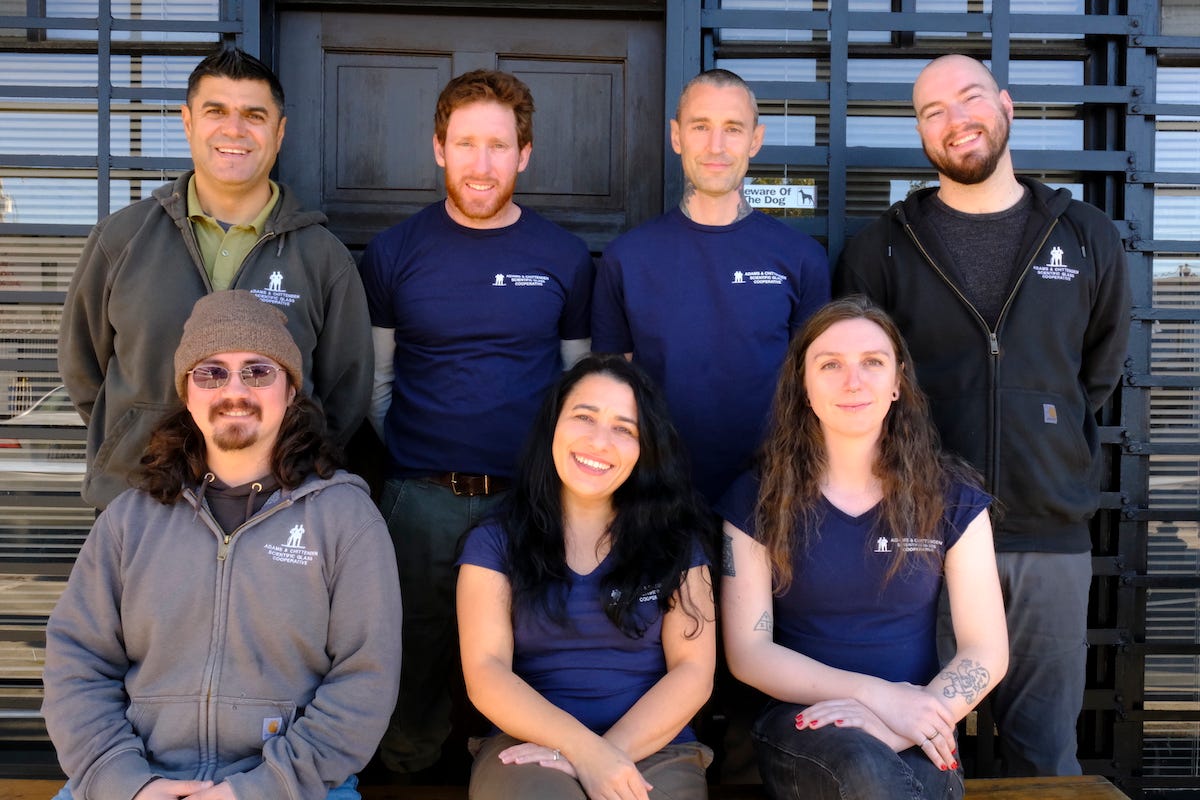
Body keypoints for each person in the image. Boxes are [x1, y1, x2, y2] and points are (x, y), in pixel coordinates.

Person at [834, 54, 1130, 776]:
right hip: (919, 537)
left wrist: (1042, 424)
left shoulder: (1085, 235)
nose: (954, 120)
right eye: (932, 112)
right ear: (920, 133)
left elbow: (1096, 370)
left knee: (1042, 754)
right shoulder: (881, 250)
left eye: (968, 99)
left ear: (1006, 105)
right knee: (916, 747)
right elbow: (858, 387)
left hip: (1046, 537)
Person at [41, 290, 402, 800]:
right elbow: (76, 664)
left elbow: (366, 679)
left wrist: (259, 789)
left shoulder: (345, 519)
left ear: (291, 391)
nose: (235, 391)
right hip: (133, 780)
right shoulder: (131, 520)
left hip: (294, 787)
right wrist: (127, 783)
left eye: (258, 371)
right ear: (187, 394)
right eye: (211, 373)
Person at [358, 69, 594, 777]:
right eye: (466, 144)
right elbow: (377, 383)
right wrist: (422, 448)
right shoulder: (394, 253)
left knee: (529, 655)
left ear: (524, 154)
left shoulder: (563, 256)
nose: (481, 164)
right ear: (439, 148)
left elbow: (576, 385)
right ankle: (405, 772)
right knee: (414, 657)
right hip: (418, 497)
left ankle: (516, 778)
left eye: (498, 145)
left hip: (529, 502)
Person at [718, 297, 1009, 800]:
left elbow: (986, 650)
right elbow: (750, 652)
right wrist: (876, 697)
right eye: (830, 365)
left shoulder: (952, 498)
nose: (853, 381)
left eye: (872, 363)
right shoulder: (756, 498)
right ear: (803, 387)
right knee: (863, 766)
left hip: (923, 714)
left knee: (908, 778)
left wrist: (906, 721)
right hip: (803, 723)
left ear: (897, 382)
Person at [59, 46, 372, 510]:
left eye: (254, 115)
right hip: (140, 498)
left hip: (274, 509)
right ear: (188, 122)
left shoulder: (323, 257)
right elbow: (84, 370)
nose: (235, 129)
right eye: (216, 111)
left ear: (279, 132)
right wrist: (134, 429)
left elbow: (346, 393)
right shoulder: (121, 238)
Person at [457, 354, 716, 800]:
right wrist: (581, 751)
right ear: (552, 425)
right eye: (585, 417)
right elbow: (485, 673)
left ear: (645, 449)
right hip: (528, 750)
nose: (600, 441)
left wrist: (605, 756)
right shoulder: (495, 540)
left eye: (624, 428)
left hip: (657, 746)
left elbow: (694, 672)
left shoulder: (677, 541)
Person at [592, 68, 830, 505]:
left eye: (732, 129)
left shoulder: (800, 258)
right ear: (676, 136)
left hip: (772, 496)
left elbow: (817, 388)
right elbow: (608, 392)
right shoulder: (627, 257)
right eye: (701, 127)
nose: (716, 146)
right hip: (655, 498)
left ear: (755, 140)